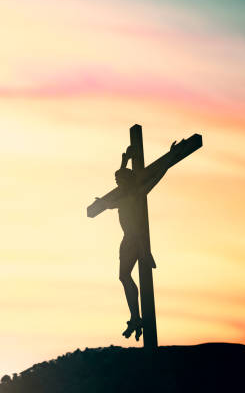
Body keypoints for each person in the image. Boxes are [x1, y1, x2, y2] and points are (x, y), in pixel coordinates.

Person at [95, 140, 180, 341]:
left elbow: (157, 175)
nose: (117, 185)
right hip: (126, 241)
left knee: (127, 277)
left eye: (120, 181)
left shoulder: (136, 194)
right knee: (123, 277)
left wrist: (171, 156)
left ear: (127, 182)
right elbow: (114, 191)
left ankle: (137, 317)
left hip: (136, 241)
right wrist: (124, 161)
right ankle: (135, 316)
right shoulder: (120, 197)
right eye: (117, 182)